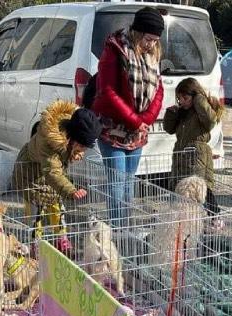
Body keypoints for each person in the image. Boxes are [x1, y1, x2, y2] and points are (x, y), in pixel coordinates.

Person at [91, 6, 165, 228]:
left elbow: (158, 90)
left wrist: (147, 120)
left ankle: (125, 225)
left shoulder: (152, 55)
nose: (151, 44)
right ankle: (117, 229)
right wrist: (136, 120)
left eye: (155, 40)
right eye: (148, 38)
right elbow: (108, 92)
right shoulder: (115, 50)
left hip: (138, 132)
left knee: (129, 182)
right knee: (117, 181)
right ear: (138, 32)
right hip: (112, 129)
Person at [12, 101, 101, 251]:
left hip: (49, 175)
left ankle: (61, 238)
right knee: (36, 210)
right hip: (30, 175)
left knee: (57, 206)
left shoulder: (70, 131)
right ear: (74, 139)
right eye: (82, 146)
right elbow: (53, 172)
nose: (84, 150)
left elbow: (56, 170)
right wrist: (71, 190)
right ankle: (36, 242)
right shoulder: (49, 142)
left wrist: (74, 152)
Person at [163, 78, 226, 229]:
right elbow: (169, 129)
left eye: (186, 98)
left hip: (197, 155)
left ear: (195, 96)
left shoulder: (202, 111)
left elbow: (210, 120)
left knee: (201, 188)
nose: (182, 101)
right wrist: (171, 114)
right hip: (181, 154)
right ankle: (179, 218)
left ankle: (215, 216)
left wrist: (199, 99)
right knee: (179, 187)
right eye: (179, 98)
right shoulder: (183, 113)